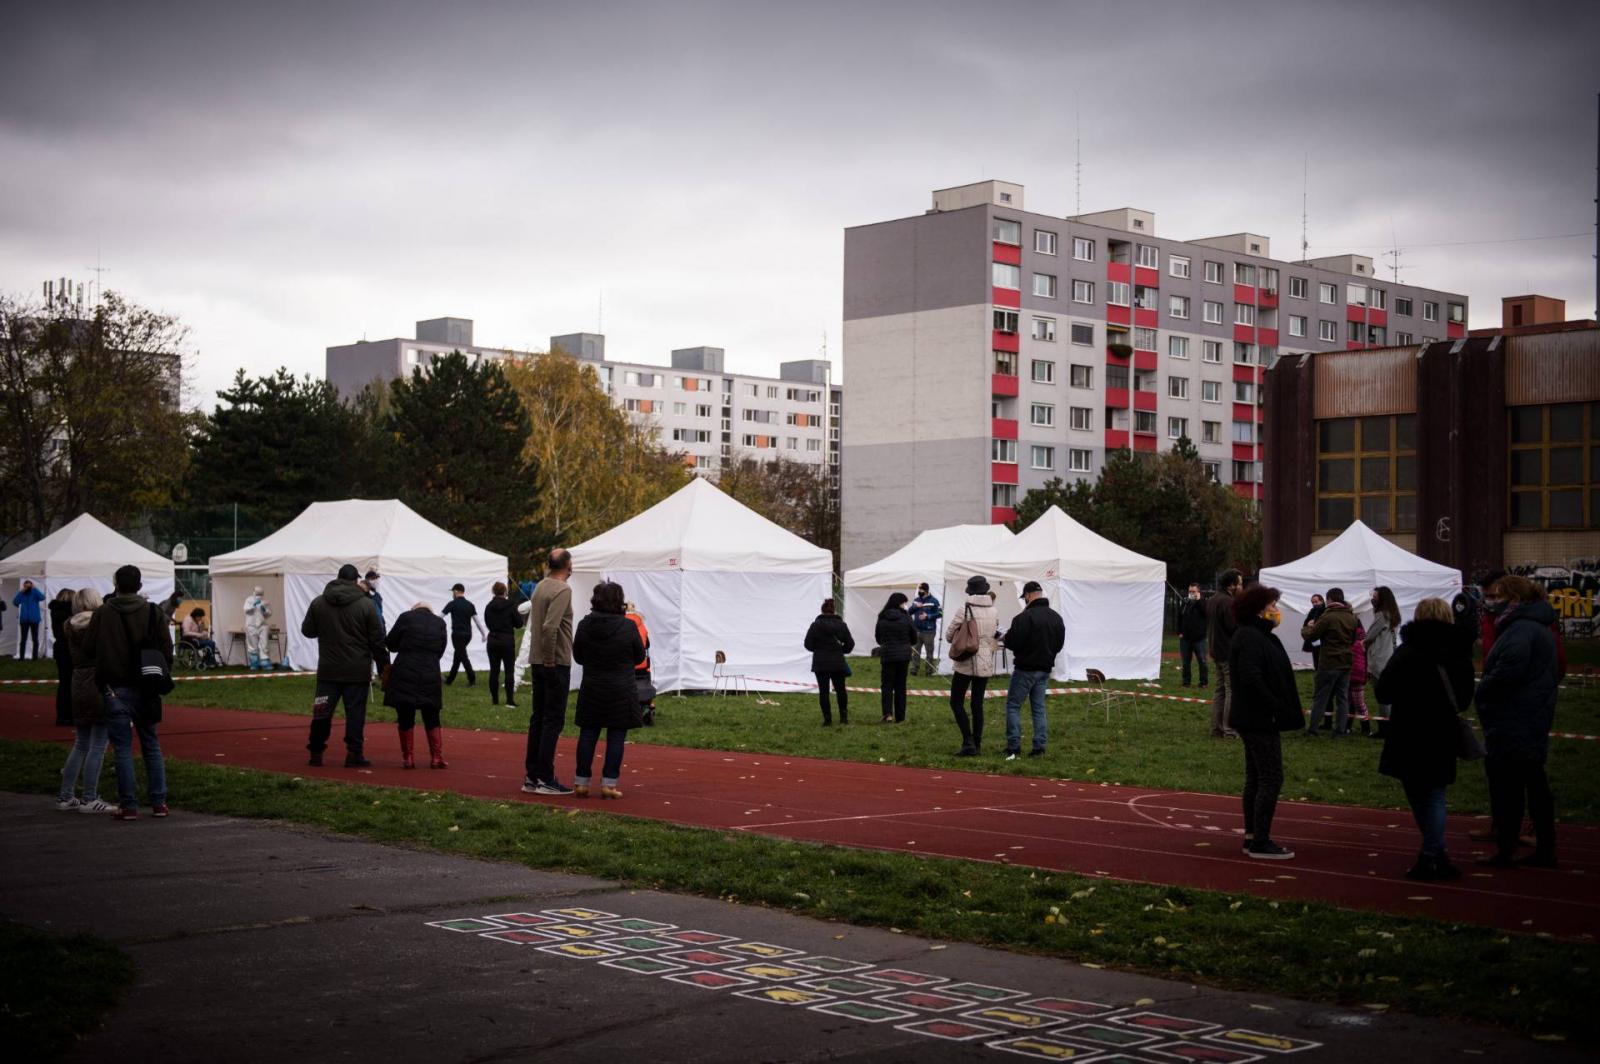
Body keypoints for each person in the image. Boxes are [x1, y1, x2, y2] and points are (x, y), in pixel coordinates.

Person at [1375, 597, 1474, 881]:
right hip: (1441, 730)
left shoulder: (1408, 651)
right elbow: (1465, 698)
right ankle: (1436, 853)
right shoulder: (1457, 652)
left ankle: (1431, 853)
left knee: (1418, 792)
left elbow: (1384, 691)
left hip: (1408, 728)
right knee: (1435, 792)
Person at [1474, 575, 1560, 869]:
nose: (1492, 601)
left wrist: (1483, 690)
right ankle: (1542, 847)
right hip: (1528, 714)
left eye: (1499, 596)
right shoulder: (1533, 627)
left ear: (1515, 600)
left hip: (1516, 717)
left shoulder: (1520, 630)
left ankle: (1507, 848)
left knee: (1512, 787)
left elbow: (1508, 670)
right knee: (1532, 783)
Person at [79, 565, 172, 820]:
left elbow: (87, 648)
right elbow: (166, 648)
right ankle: (158, 802)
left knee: (122, 748)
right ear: (140, 586)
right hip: (147, 687)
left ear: (116, 585)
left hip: (114, 687)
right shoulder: (153, 612)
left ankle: (129, 805)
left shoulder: (103, 613)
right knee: (151, 744)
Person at [1227, 584, 1303, 859]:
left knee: (1257, 778)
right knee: (1270, 777)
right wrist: (1275, 704)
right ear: (1259, 610)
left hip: (1257, 716)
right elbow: (1251, 677)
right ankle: (1260, 839)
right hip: (1258, 717)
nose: (1276, 610)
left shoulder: (1260, 636)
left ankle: (1252, 836)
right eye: (1271, 606)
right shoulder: (1249, 637)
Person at [300, 563, 390, 767]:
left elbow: (308, 631)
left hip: (328, 670)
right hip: (357, 671)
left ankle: (315, 751)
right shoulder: (366, 605)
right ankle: (354, 753)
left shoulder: (319, 602)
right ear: (355, 580)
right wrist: (384, 665)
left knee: (321, 713)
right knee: (355, 714)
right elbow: (377, 640)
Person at [571, 581, 646, 798]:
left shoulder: (585, 625)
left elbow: (578, 656)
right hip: (621, 686)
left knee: (588, 733)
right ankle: (609, 784)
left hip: (593, 684)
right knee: (616, 736)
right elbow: (639, 657)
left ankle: (581, 782)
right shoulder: (628, 626)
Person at [522, 548, 576, 796]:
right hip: (554, 661)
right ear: (567, 565)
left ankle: (532, 775)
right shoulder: (563, 589)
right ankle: (545, 776)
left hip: (537, 660)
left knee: (538, 717)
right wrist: (551, 660)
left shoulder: (540, 585)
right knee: (553, 719)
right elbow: (550, 627)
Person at [57, 588, 113, 813]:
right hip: (97, 682)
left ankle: (66, 795)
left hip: (78, 681)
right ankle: (90, 797)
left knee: (81, 743)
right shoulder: (100, 625)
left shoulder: (69, 625)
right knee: (99, 744)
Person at [1001, 580, 1065, 760]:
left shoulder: (1023, 618)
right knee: (1038, 708)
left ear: (1028, 596)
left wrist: (1006, 638)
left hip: (1025, 668)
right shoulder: (1056, 617)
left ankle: (1013, 746)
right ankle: (1039, 746)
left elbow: (1013, 642)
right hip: (1045, 668)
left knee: (1013, 706)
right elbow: (1059, 644)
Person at [382, 602, 449, 769]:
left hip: (405, 669)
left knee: (405, 715)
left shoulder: (406, 617)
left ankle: (409, 757)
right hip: (430, 671)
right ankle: (436, 757)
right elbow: (441, 649)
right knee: (432, 715)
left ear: (414, 609)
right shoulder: (440, 623)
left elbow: (390, 643)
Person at [946, 575, 1000, 756]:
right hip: (985, 659)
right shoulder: (994, 611)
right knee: (977, 705)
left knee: (956, 702)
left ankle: (967, 741)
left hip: (966, 659)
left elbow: (949, 634)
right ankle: (977, 744)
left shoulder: (965, 608)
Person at [1301, 588, 1358, 736]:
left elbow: (1312, 636)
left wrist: (1307, 627)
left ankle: (1313, 728)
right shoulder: (1352, 617)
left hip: (1329, 661)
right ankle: (1340, 729)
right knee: (1343, 698)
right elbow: (1353, 639)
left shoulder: (1328, 617)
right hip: (1346, 661)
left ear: (1329, 599)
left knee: (1321, 696)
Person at [804, 598, 854, 726]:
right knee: (841, 690)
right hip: (837, 661)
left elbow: (808, 644)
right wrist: (842, 650)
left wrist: (818, 649)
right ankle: (843, 718)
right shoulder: (841, 625)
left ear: (822, 610)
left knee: (824, 691)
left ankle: (827, 719)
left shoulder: (815, 625)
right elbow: (850, 644)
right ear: (834, 610)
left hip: (820, 662)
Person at [1205, 570, 1243, 738]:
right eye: (1240, 583)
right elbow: (1233, 627)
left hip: (1216, 649)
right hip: (1227, 651)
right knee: (1230, 690)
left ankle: (1217, 728)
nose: (1241, 587)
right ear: (1231, 585)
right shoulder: (1227, 602)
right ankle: (1228, 729)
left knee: (1220, 690)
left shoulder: (1213, 599)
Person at [1363, 586, 1401, 735]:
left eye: (1375, 597)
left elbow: (1370, 635)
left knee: (1382, 695)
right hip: (1389, 655)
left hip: (1379, 658)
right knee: (1388, 695)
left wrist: (1363, 643)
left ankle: (1384, 728)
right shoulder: (1394, 614)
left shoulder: (1381, 615)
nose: (1373, 599)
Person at [874, 592, 915, 724]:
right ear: (900, 603)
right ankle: (900, 716)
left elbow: (878, 638)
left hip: (888, 655)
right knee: (900, 686)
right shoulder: (906, 618)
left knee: (887, 686)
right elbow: (914, 637)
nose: (905, 605)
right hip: (903, 656)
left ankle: (887, 714)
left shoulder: (882, 617)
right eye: (904, 602)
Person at [483, 581, 525, 707]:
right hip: (506, 640)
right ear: (505, 591)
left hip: (493, 639)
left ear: (493, 592)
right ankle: (509, 700)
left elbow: (487, 622)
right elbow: (518, 623)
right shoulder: (510, 605)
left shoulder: (488, 606)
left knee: (494, 671)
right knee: (509, 671)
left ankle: (495, 700)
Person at [441, 584, 485, 686]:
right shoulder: (470, 604)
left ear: (456, 591)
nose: (452, 594)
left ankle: (472, 679)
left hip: (457, 635)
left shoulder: (452, 604)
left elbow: (440, 617)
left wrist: (429, 622)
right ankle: (449, 680)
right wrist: (483, 634)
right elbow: (477, 622)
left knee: (463, 656)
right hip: (468, 635)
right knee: (458, 656)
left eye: (453, 592)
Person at [625, 603, 657, 726]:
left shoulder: (621, 624)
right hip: (642, 665)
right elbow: (647, 645)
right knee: (644, 684)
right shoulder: (642, 625)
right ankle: (647, 705)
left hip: (627, 665)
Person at [49, 589, 76, 725]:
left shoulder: (55, 611)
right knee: (71, 682)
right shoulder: (69, 613)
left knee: (64, 682)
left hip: (60, 648)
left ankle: (62, 715)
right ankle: (70, 714)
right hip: (68, 648)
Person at [1177, 583, 1209, 688]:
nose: (1191, 593)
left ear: (1198, 592)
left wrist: (1199, 600)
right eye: (1190, 591)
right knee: (1185, 662)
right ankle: (1186, 682)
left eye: (1193, 591)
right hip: (1185, 638)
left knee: (1202, 661)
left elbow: (1206, 613)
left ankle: (1203, 682)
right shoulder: (1186, 602)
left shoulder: (1203, 602)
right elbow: (1180, 617)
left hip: (1199, 638)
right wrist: (1180, 632)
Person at [908, 582, 943, 677]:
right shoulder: (916, 600)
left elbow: (940, 613)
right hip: (917, 630)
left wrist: (928, 616)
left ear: (926, 591)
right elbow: (909, 612)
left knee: (929, 652)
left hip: (929, 631)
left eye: (921, 590)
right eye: (919, 590)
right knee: (915, 652)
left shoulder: (934, 601)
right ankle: (914, 670)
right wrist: (915, 606)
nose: (919, 591)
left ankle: (928, 671)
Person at [13, 579, 45, 658]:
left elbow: (42, 597)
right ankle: (21, 657)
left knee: (35, 639)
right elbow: (15, 602)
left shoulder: (34, 593)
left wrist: (34, 588)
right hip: (24, 620)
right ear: (24, 586)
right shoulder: (22, 594)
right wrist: (21, 592)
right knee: (23, 639)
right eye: (26, 585)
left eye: (29, 585)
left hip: (34, 619)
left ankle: (35, 657)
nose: (27, 587)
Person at [243, 586, 273, 670]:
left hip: (263, 625)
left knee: (264, 643)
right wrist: (253, 605)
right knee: (253, 644)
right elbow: (246, 610)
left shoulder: (265, 602)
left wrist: (265, 610)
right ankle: (254, 662)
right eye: (257, 593)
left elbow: (269, 614)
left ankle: (265, 661)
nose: (258, 596)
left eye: (260, 594)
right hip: (251, 625)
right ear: (254, 592)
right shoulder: (249, 600)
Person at [1301, 593, 1327, 670]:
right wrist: (1308, 623)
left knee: (1323, 658)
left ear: (1322, 601)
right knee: (1316, 657)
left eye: (1316, 601)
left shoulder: (1326, 611)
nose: (1314, 604)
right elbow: (1305, 624)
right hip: (1315, 639)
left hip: (1324, 639)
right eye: (1313, 602)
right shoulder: (1312, 611)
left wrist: (1315, 623)